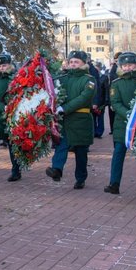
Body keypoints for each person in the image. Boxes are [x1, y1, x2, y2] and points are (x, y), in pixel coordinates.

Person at [46, 51, 95, 188]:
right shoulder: (62, 78)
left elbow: (84, 98)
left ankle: (80, 179)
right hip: (64, 120)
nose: (73, 64)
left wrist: (64, 108)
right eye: (71, 62)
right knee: (61, 145)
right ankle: (57, 169)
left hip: (81, 120)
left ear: (84, 64)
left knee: (81, 152)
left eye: (76, 62)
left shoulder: (89, 79)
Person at [104, 52, 136, 196]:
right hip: (122, 124)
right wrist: (130, 115)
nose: (127, 68)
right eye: (124, 66)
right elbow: (115, 103)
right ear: (120, 67)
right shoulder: (116, 83)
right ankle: (114, 184)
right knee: (118, 154)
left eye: (130, 65)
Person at [88, 55, 105, 139]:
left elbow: (97, 87)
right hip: (92, 99)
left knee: (97, 117)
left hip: (97, 99)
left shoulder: (92, 71)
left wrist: (96, 101)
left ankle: (97, 132)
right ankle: (94, 132)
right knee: (93, 118)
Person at [106, 52, 121, 135]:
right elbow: (112, 81)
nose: (117, 61)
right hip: (113, 92)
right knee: (112, 114)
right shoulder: (113, 68)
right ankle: (113, 129)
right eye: (116, 60)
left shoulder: (121, 67)